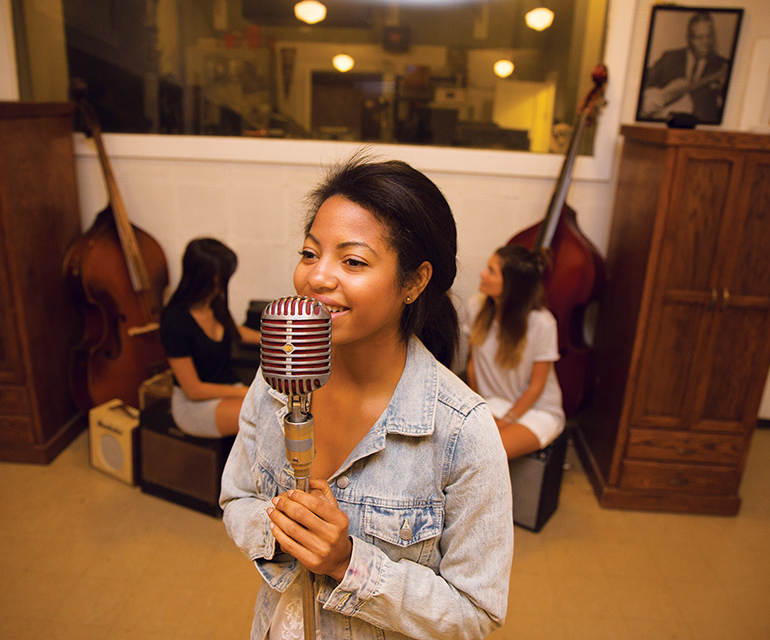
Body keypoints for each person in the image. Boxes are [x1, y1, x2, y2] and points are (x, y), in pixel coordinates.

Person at [219, 157, 513, 640]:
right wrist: (277, 530)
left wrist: (348, 562)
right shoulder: (279, 377)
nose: (317, 278)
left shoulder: (463, 431)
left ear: (415, 282)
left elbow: (474, 614)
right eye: (310, 253)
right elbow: (236, 499)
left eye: (353, 261)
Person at [466, 245, 565, 460]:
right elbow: (473, 365)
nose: (482, 273)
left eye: (491, 270)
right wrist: (478, 409)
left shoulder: (542, 323)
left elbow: (537, 385)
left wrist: (505, 422)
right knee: (458, 446)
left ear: (512, 284)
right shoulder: (475, 308)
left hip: (536, 411)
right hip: (492, 402)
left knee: (485, 453)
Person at [159, 237, 260, 438]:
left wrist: (280, 337)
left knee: (273, 407)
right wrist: (247, 392)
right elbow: (194, 390)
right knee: (264, 414)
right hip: (194, 405)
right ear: (209, 277)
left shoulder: (214, 303)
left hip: (228, 389)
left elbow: (235, 332)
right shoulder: (174, 320)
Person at [640, 10, 729, 122]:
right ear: (689, 38)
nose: (705, 42)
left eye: (709, 36)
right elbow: (643, 82)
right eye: (699, 38)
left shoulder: (722, 65)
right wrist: (647, 100)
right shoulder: (669, 58)